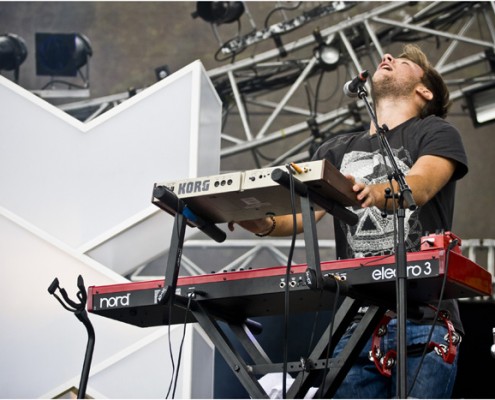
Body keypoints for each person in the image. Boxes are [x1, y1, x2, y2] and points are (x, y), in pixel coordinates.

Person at [228, 44, 468, 398]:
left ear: (424, 90)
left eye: (401, 62)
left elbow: (420, 185)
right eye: (386, 58)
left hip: (424, 317)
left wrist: (373, 192)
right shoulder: (334, 150)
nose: (386, 59)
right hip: (356, 319)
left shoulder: (435, 131)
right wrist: (260, 223)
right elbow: (303, 215)